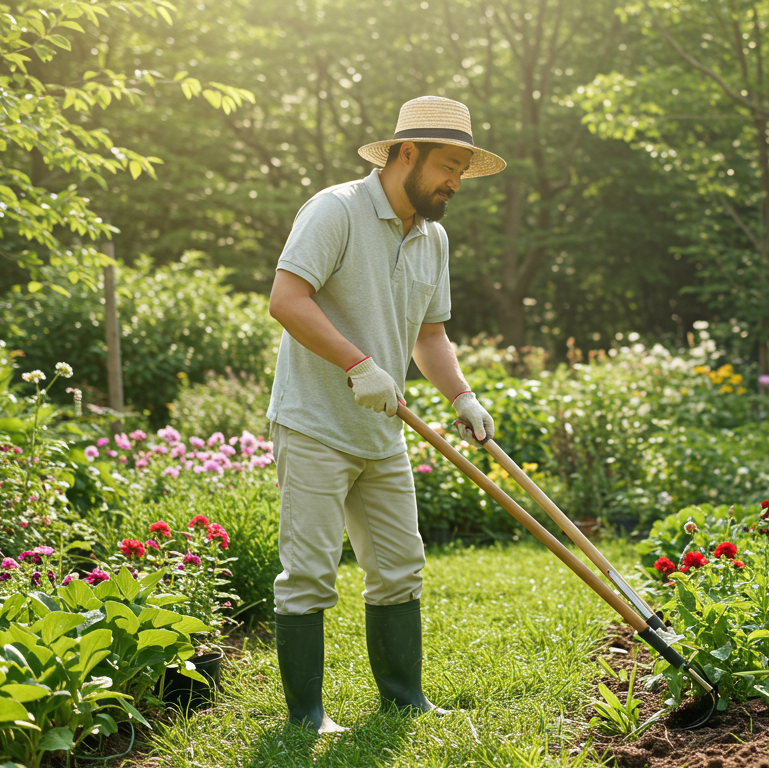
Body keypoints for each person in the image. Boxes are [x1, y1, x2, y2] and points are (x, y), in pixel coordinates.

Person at [264, 95, 505, 733]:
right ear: (406, 153)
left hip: (382, 430)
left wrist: (462, 397)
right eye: (449, 165)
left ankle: (403, 697)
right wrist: (356, 364)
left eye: (462, 169)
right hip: (314, 421)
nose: (456, 182)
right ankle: (307, 716)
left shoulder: (433, 236)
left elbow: (430, 336)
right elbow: (287, 300)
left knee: (399, 567)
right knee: (311, 572)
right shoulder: (335, 209)